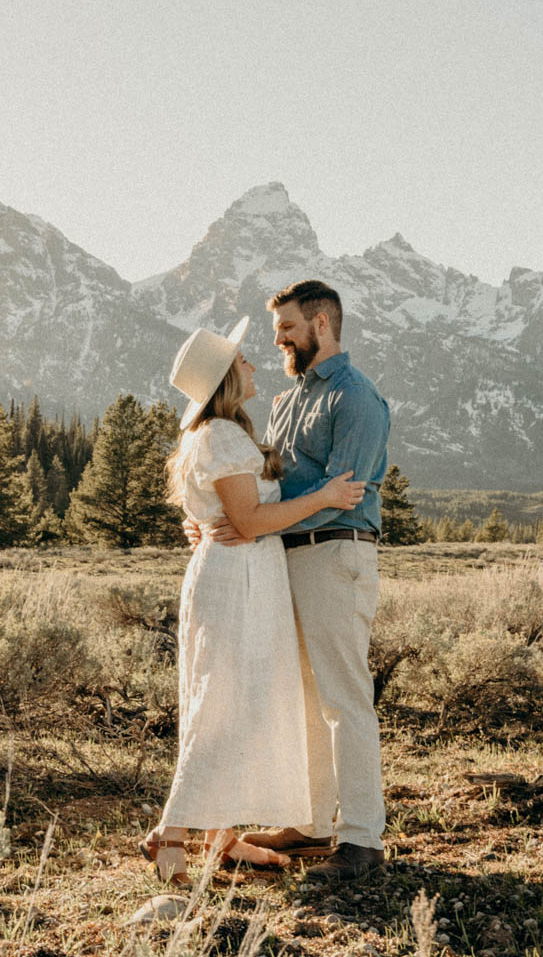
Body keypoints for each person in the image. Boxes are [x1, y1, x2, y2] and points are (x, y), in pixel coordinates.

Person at [142, 315, 368, 885]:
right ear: (224, 377)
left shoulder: (217, 433)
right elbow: (249, 520)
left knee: (237, 700)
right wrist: (325, 497)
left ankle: (221, 840)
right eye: (242, 359)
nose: (253, 362)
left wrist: (203, 524)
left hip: (241, 576)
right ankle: (171, 833)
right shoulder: (220, 434)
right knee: (222, 701)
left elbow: (226, 514)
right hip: (237, 581)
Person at [192, 280, 391, 883]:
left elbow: (344, 493)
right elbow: (263, 487)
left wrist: (253, 525)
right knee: (303, 696)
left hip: (336, 554)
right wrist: (222, 518)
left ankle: (361, 839)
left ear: (321, 325)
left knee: (343, 697)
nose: (277, 339)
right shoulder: (286, 400)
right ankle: (312, 823)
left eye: (286, 328)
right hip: (286, 556)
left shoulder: (355, 398)